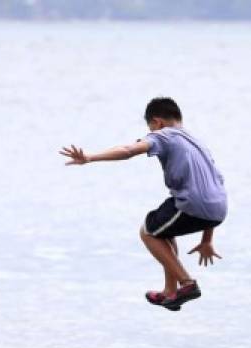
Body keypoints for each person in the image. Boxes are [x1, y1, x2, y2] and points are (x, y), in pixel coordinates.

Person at [61, 97, 228, 311]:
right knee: (163, 228)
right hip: (218, 208)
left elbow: (128, 150)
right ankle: (170, 292)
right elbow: (212, 188)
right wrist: (207, 240)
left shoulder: (163, 135)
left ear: (156, 122)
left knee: (148, 232)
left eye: (150, 127)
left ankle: (187, 283)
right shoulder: (197, 143)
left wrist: (91, 157)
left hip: (192, 205)